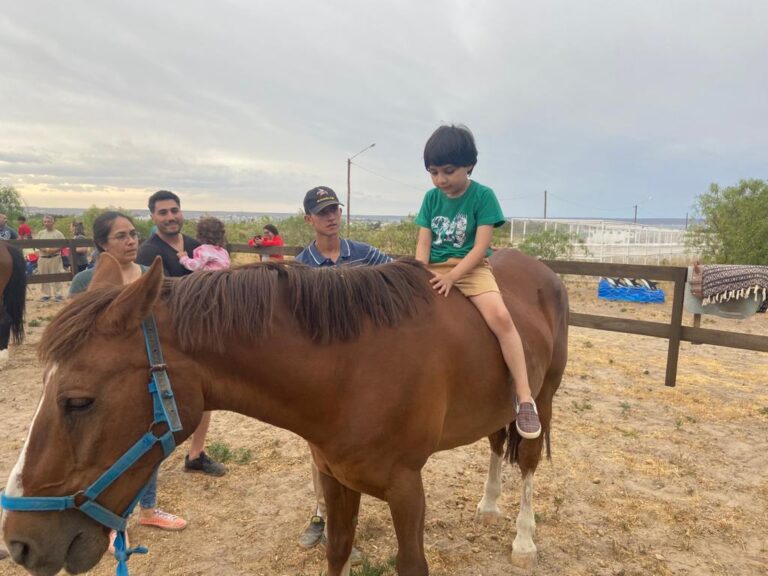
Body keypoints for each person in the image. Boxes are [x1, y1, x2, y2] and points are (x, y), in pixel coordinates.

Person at [414, 124, 541, 439]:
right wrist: (417, 272)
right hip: (432, 269)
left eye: (448, 171)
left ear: (469, 165)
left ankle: (524, 397)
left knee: (500, 318)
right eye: (433, 172)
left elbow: (481, 246)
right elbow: (423, 243)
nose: (441, 180)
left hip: (470, 270)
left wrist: (454, 276)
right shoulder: (431, 198)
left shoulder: (483, 196)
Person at [69, 211, 187, 550]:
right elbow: (77, 338)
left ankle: (148, 509)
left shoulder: (151, 277)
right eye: (121, 236)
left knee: (151, 444)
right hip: (106, 382)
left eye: (133, 233)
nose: (131, 240)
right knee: (111, 448)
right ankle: (110, 520)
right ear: (102, 244)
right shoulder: (85, 282)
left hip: (149, 373)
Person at [294, 186, 392, 562]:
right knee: (321, 448)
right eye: (322, 212)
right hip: (324, 372)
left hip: (369, 367)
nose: (330, 216)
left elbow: (395, 285)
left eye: (334, 209)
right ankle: (324, 513)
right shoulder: (302, 265)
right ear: (309, 220)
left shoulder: (366, 255)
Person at [136, 190, 226, 477]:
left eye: (174, 210)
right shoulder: (149, 253)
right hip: (165, 338)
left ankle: (196, 454)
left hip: (200, 332)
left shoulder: (196, 245)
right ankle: (148, 463)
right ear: (152, 217)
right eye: (163, 212)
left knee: (205, 395)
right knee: (158, 401)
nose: (170, 216)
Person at [36, 215, 65, 302]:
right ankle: (46, 294)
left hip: (55, 257)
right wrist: (45, 249)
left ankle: (58, 294)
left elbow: (63, 244)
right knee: (43, 276)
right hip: (43, 258)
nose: (46, 223)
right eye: (45, 222)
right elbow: (36, 244)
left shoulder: (58, 233)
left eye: (48, 222)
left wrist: (53, 250)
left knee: (56, 275)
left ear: (53, 222)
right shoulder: (41, 233)